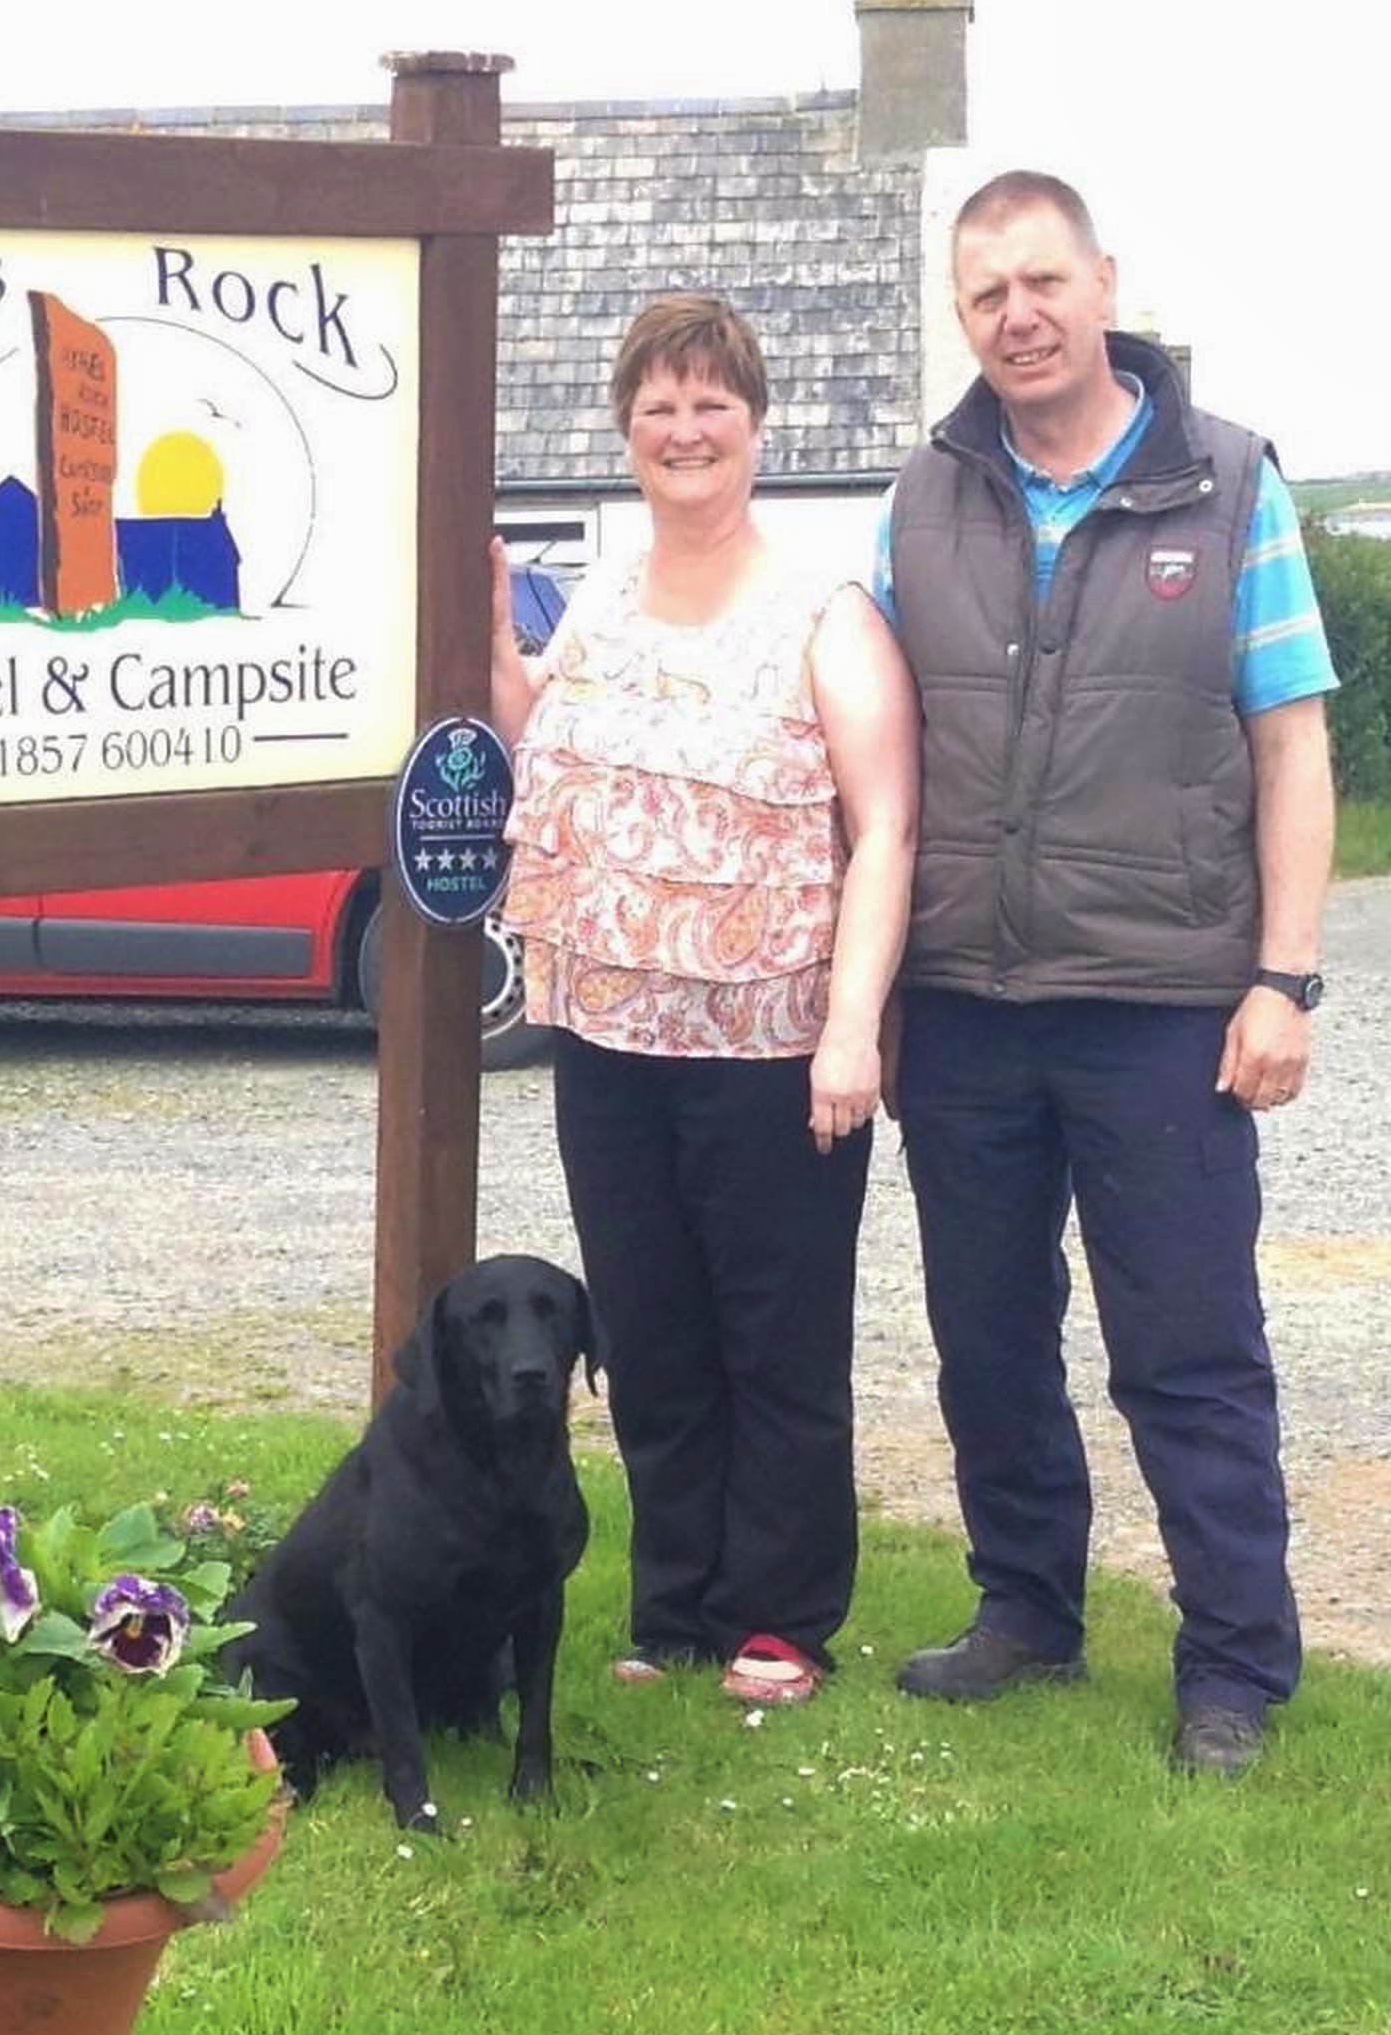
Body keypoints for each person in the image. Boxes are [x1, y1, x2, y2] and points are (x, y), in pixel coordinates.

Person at [874, 170, 1338, 1776]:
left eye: (1043, 280)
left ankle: (1236, 1669)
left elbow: (1291, 746)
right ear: (964, 313)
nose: (1018, 313)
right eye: (987, 291)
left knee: (1188, 1350)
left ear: (1104, 284)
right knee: (986, 1333)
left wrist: (1286, 976)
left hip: (1164, 1012)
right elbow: (865, 740)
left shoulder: (1228, 486)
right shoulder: (920, 500)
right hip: (965, 1007)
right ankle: (1027, 1612)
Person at [489, 293, 920, 1708]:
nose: (686, 429)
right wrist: (489, 628)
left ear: (754, 426)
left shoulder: (823, 614)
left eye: (711, 404)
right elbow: (535, 745)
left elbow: (887, 828)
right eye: (660, 406)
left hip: (773, 1049)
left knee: (775, 1341)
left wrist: (850, 1027)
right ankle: (675, 1607)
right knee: (654, 1334)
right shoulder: (600, 607)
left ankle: (781, 1617)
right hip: (608, 1042)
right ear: (626, 431)